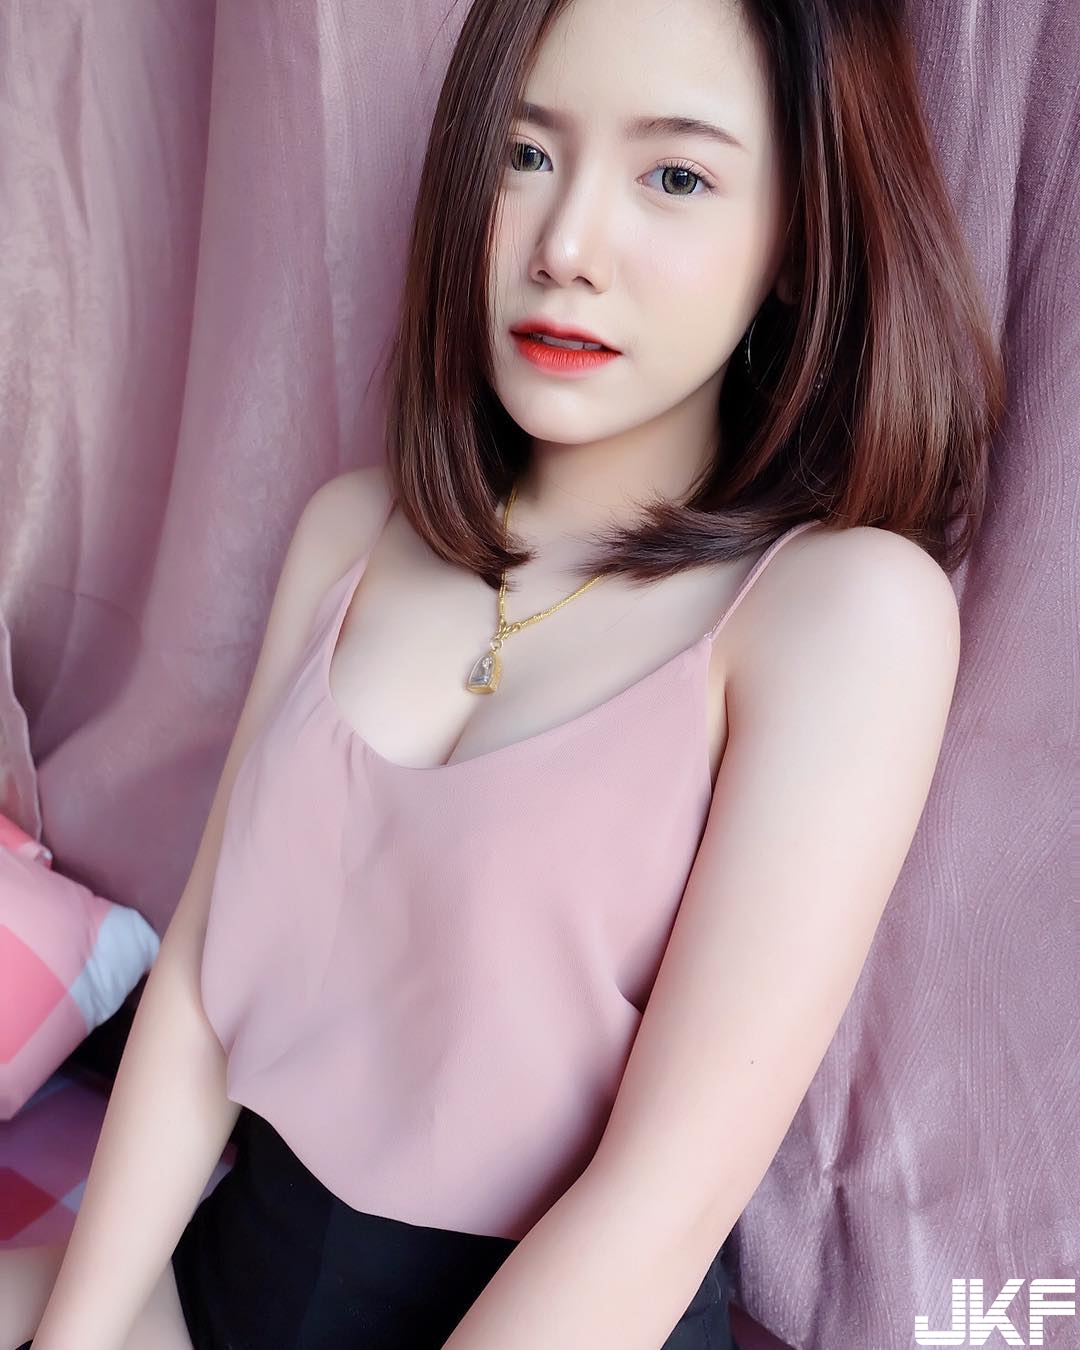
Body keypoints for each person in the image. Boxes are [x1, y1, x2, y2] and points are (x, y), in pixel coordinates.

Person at [5, 0, 1003, 1345]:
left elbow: (662, 1200)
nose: (565, 247)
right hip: (229, 1277)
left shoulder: (842, 611)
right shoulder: (352, 534)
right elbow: (196, 991)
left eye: (675, 176)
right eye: (527, 155)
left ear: (797, 239)